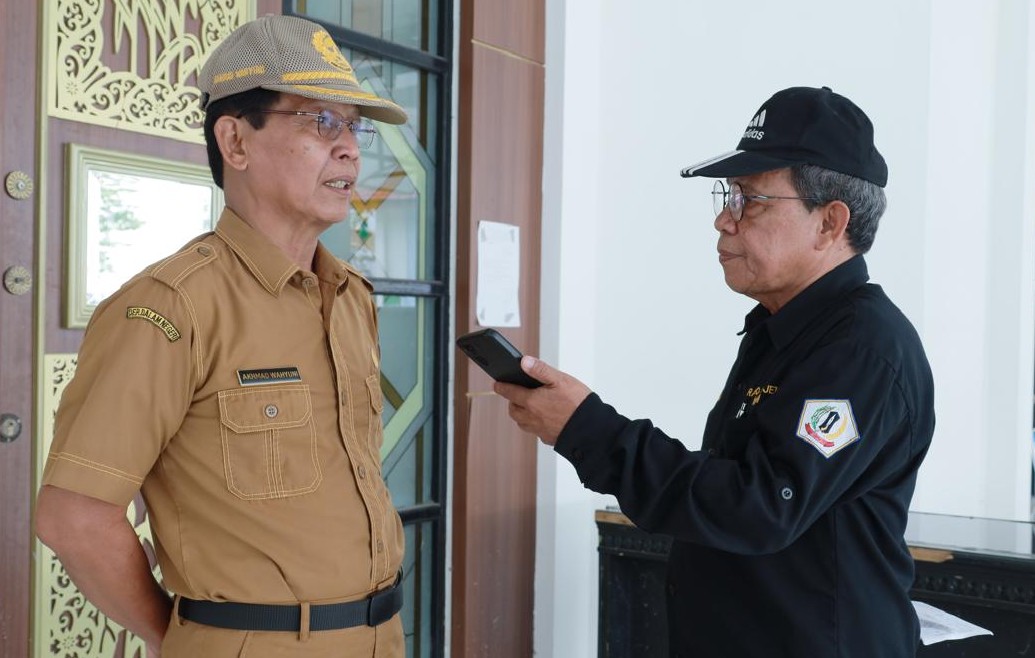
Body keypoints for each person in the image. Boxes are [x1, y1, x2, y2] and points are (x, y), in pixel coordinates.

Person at [495, 86, 935, 657]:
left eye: (750, 200)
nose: (724, 222)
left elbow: (760, 507)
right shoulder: (783, 329)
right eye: (727, 197)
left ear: (829, 222)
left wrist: (589, 430)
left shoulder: (862, 351)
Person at [36, 15, 408, 658]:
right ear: (235, 141)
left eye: (356, 126)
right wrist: (181, 636)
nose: (351, 148)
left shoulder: (350, 298)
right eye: (322, 121)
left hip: (381, 638)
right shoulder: (171, 306)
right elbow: (75, 517)